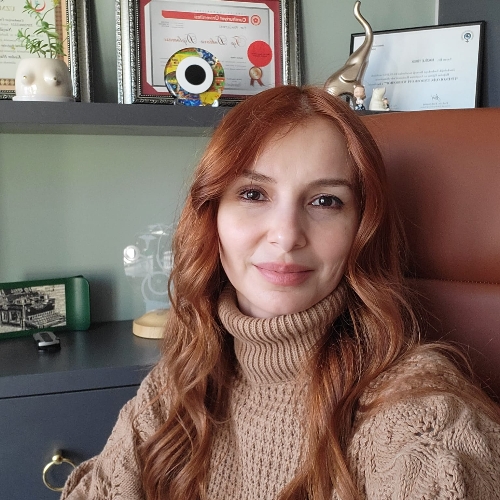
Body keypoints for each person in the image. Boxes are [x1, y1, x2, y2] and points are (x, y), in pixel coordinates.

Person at [61, 85, 500, 500]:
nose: (287, 236)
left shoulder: (416, 408)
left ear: (361, 230)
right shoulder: (181, 380)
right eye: (254, 194)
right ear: (212, 214)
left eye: (325, 201)